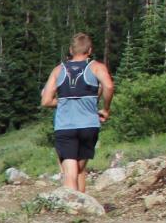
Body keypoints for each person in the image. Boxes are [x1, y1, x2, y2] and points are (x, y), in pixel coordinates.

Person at [40, 32, 114, 194]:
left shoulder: (58, 70)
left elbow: (45, 101)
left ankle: (72, 210)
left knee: (70, 173)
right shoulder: (97, 67)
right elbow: (108, 86)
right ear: (89, 50)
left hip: (65, 127)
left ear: (70, 50)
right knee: (80, 171)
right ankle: (83, 205)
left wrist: (64, 101)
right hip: (89, 126)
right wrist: (105, 109)